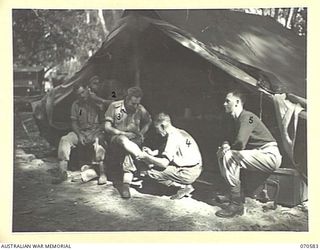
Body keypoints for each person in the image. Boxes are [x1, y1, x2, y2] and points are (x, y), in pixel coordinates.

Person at [215, 90, 282, 218]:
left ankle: (236, 204)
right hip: (257, 154)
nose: (224, 104)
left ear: (237, 102)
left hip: (269, 155)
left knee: (229, 156)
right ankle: (234, 193)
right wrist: (225, 145)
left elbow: (240, 143)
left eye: (227, 101)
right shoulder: (235, 119)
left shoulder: (249, 117)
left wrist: (228, 148)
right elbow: (227, 138)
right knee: (221, 152)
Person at [138, 113, 203, 200]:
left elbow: (164, 163)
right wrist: (153, 153)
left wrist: (146, 157)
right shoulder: (181, 132)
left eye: (157, 128)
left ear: (163, 126)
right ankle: (184, 184)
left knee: (151, 172)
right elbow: (174, 151)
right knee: (157, 163)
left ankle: (182, 186)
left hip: (187, 172)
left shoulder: (173, 137)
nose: (157, 131)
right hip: (197, 168)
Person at [104, 86, 152, 199]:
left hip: (134, 140)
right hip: (117, 138)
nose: (135, 106)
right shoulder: (114, 106)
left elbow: (148, 121)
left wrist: (142, 133)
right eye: (133, 103)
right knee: (122, 140)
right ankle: (143, 157)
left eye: (137, 103)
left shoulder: (140, 109)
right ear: (127, 99)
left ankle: (126, 185)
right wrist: (122, 133)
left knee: (128, 151)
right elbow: (107, 127)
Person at [56, 85, 108, 184]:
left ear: (88, 90)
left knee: (99, 141)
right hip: (81, 132)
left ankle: (102, 173)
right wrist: (79, 135)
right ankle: (62, 172)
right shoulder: (76, 105)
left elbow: (105, 122)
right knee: (65, 139)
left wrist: (95, 133)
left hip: (96, 131)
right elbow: (74, 122)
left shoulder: (97, 103)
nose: (82, 96)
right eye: (79, 94)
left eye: (83, 92)